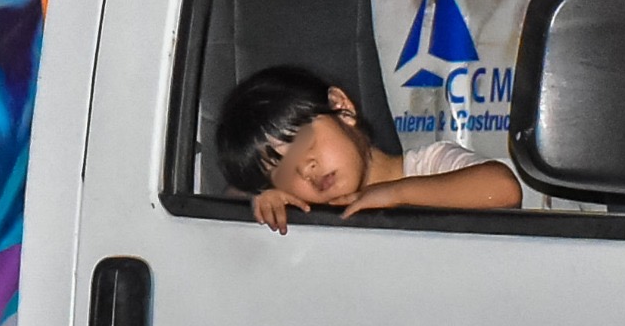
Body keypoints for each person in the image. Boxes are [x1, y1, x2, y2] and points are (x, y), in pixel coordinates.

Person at [216, 64, 521, 234]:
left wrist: (394, 195)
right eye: (283, 172)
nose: (304, 168)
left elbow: (503, 189)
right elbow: (230, 193)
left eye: (304, 141)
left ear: (342, 107)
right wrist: (260, 199)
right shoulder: (314, 215)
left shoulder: (428, 166)